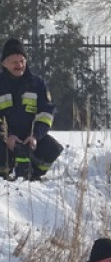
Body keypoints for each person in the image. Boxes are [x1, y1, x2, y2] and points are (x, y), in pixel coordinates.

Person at [0, 38, 62, 180]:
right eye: (14, 62)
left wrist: (35, 136)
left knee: (52, 149)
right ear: (4, 63)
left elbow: (46, 113)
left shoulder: (37, 84)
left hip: (29, 136)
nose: (19, 65)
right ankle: (4, 177)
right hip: (4, 139)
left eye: (22, 61)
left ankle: (33, 176)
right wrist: (6, 137)